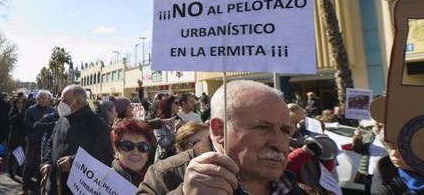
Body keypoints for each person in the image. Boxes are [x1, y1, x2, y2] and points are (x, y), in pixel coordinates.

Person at [137, 80, 306, 195]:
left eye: (285, 130)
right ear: (219, 130)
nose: (278, 143)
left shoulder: (300, 183)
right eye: (262, 127)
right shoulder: (166, 176)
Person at [40, 85, 113, 195]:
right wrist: (46, 162)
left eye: (64, 100)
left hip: (79, 189)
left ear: (78, 102)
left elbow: (104, 157)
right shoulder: (62, 119)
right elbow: (51, 143)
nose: (60, 104)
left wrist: (74, 162)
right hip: (54, 186)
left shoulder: (97, 124)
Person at [20, 90, 54, 195]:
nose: (43, 100)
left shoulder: (52, 110)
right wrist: (36, 125)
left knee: (42, 164)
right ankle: (24, 188)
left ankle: (40, 187)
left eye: (45, 98)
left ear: (48, 100)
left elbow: (54, 125)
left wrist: (42, 125)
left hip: (46, 143)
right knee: (29, 164)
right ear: (37, 99)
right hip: (33, 140)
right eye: (41, 98)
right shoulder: (31, 110)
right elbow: (26, 124)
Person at [111, 118, 156, 187]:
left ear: (147, 155)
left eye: (142, 147)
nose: (135, 152)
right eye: (127, 145)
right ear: (116, 150)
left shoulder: (156, 182)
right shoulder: (102, 180)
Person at [7, 97, 27, 180]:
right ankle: (11, 171)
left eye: (21, 103)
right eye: (18, 103)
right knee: (12, 153)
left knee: (21, 153)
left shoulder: (24, 111)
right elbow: (11, 120)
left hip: (22, 135)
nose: (20, 104)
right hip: (14, 135)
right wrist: (18, 114)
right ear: (15, 104)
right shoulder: (13, 111)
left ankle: (19, 171)